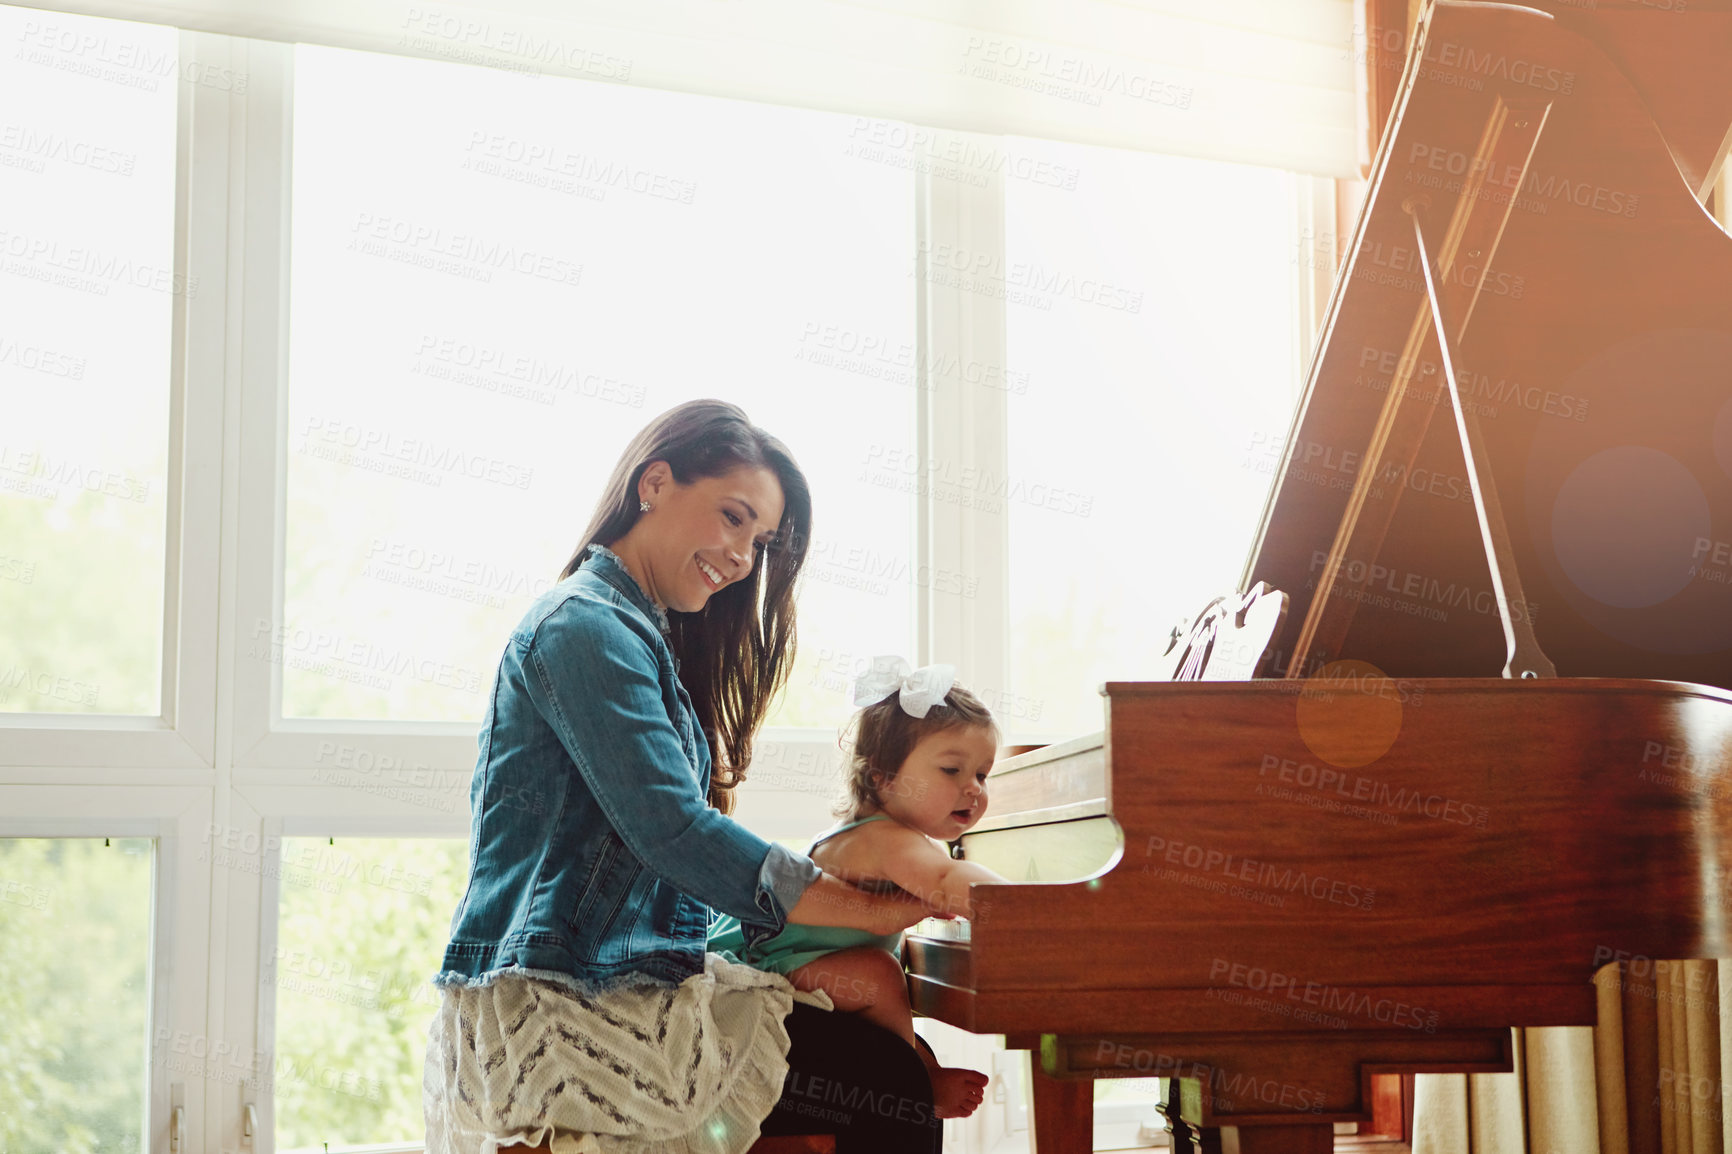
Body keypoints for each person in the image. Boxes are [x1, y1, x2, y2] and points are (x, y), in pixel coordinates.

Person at [423, 401, 945, 1154]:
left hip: (621, 978)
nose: (742, 557)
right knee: (887, 1087)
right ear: (654, 483)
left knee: (877, 1078)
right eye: (733, 518)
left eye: (759, 541)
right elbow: (673, 829)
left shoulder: (633, 629)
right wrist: (869, 909)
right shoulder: (584, 625)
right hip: (567, 993)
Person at [711, 656, 1007, 1121]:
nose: (973, 788)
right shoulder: (881, 837)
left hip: (800, 965)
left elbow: (941, 884)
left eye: (982, 774)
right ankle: (913, 1083)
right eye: (951, 770)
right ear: (882, 777)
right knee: (880, 975)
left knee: (886, 972)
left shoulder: (893, 836)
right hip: (767, 971)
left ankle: (916, 1068)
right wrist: (1026, 907)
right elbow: (947, 880)